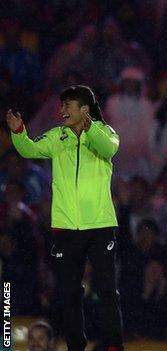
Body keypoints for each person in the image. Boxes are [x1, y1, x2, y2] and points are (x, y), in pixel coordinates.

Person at [6, 85, 124, 351]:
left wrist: (90, 128)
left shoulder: (105, 133)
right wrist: (18, 131)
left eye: (67, 106)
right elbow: (28, 150)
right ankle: (75, 347)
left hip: (101, 225)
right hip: (65, 227)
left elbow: (108, 150)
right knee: (69, 293)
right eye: (61, 106)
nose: (61, 111)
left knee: (106, 290)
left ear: (84, 109)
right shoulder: (56, 138)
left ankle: (114, 346)